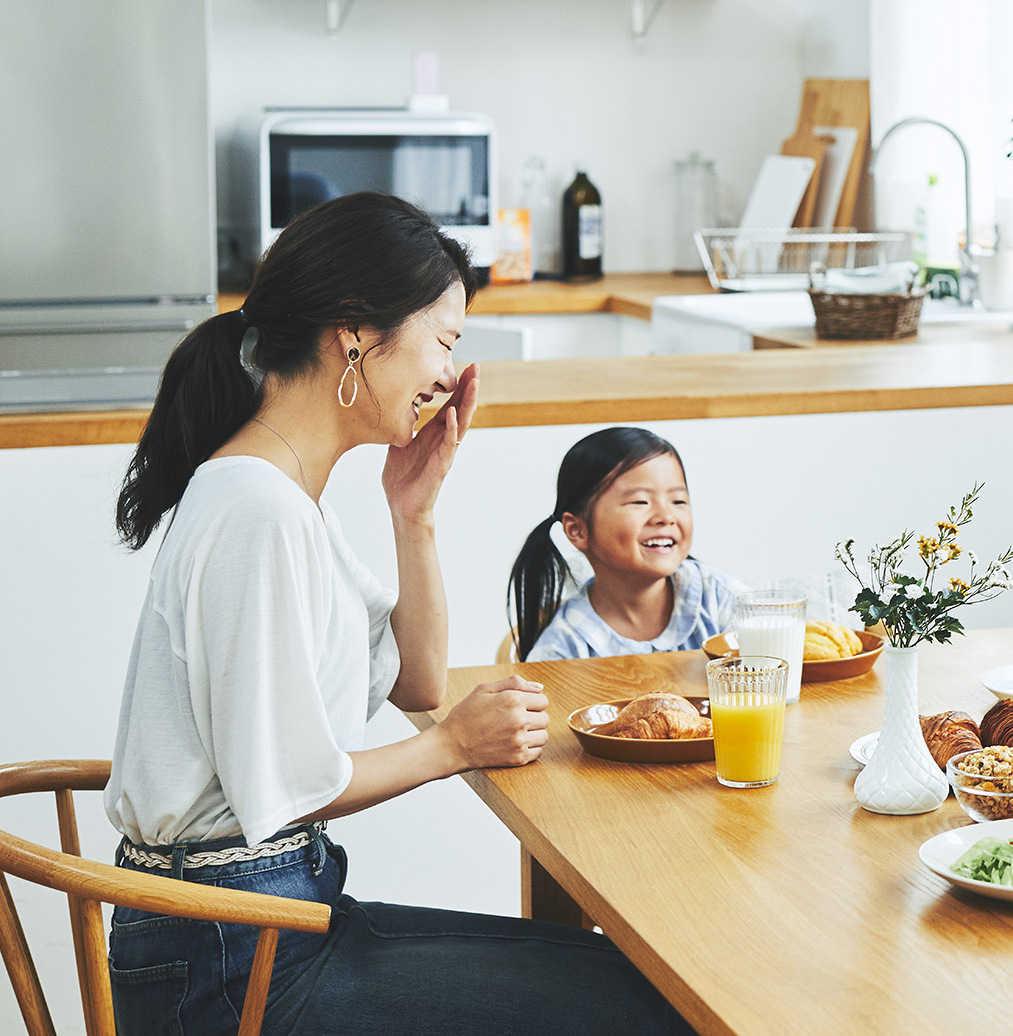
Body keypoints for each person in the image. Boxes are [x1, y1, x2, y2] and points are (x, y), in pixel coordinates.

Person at [104, 192, 693, 1036]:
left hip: (270, 926)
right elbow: (289, 789)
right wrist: (453, 746)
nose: (449, 375)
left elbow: (415, 676)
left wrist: (413, 511)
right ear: (356, 331)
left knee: (637, 980)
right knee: (641, 1008)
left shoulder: (287, 499)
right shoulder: (257, 511)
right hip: (229, 967)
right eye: (445, 341)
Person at [508, 427, 747, 662]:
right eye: (640, 501)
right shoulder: (561, 649)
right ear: (577, 530)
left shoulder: (723, 601)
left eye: (678, 500)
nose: (666, 516)